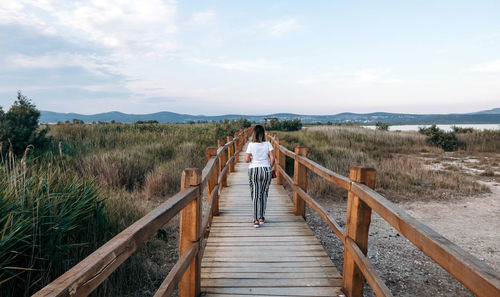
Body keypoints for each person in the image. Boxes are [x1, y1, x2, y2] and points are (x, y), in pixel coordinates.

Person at [245, 125, 275, 228]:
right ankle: (262, 217)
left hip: (254, 170)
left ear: (254, 134)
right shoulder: (268, 144)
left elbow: (246, 159)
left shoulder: (251, 145)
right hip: (266, 170)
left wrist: (252, 159)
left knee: (255, 195)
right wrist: (269, 167)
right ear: (263, 133)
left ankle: (256, 220)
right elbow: (272, 159)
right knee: (264, 193)